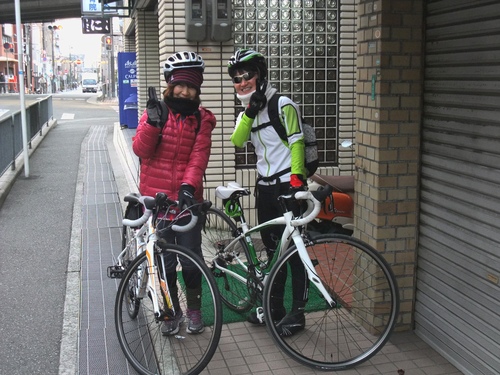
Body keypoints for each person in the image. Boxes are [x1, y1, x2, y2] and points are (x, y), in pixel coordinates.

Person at [133, 51, 216, 335]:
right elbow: (141, 151)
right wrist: (153, 125)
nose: (185, 90)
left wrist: (187, 186)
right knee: (164, 260)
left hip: (186, 198)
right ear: (170, 83)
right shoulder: (155, 112)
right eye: (180, 84)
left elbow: (199, 155)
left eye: (192, 86)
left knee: (191, 258)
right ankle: (171, 310)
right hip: (158, 200)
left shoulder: (202, 119)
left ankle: (194, 310)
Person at [228, 49, 309, 336]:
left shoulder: (283, 104)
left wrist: (297, 184)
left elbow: (297, 142)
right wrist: (250, 111)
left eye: (247, 75)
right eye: (236, 79)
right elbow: (238, 140)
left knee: (296, 252)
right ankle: (273, 309)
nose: (242, 82)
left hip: (289, 185)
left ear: (260, 74)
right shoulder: (247, 114)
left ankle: (298, 314)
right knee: (274, 252)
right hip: (264, 188)